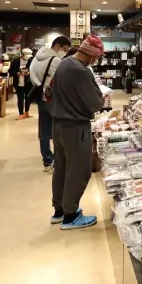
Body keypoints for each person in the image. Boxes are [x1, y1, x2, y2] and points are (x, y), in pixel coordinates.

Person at [48, 35, 106, 230]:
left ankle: (59, 210)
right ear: (91, 54)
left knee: (62, 167)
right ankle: (70, 215)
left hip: (58, 124)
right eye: (96, 57)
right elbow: (96, 102)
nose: (95, 61)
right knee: (79, 169)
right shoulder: (81, 71)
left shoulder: (64, 64)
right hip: (76, 126)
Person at [30, 36, 72, 172]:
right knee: (59, 130)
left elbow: (33, 77)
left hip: (40, 99)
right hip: (53, 99)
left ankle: (47, 161)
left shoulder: (36, 59)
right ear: (58, 46)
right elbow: (61, 81)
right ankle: (59, 160)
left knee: (45, 131)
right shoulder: (56, 60)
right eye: (65, 49)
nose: (65, 52)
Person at [8, 48, 34, 120]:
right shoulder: (16, 61)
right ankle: (21, 113)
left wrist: (29, 73)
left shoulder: (31, 61)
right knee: (20, 98)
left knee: (28, 98)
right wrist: (17, 73)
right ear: (22, 55)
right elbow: (10, 71)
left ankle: (26, 112)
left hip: (28, 83)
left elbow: (34, 71)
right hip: (18, 83)